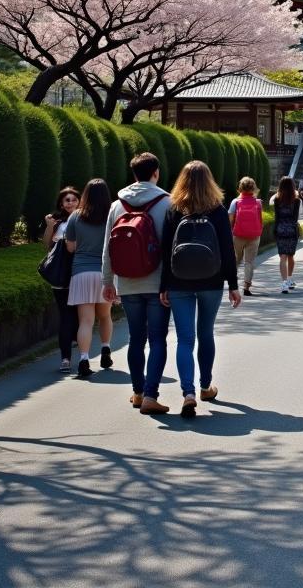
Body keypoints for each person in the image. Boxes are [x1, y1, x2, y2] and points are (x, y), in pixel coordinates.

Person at [160, 161, 241, 418]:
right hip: (212, 281)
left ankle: (188, 393)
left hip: (178, 281)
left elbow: (165, 251)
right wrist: (233, 285)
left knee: (185, 339)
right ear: (210, 181)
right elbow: (228, 250)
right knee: (206, 333)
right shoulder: (217, 210)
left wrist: (164, 284)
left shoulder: (174, 209)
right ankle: (206, 386)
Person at [102, 151, 171, 415]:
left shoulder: (116, 205)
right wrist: (170, 284)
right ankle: (152, 395)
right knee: (157, 339)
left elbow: (107, 247)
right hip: (157, 283)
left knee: (136, 338)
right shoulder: (167, 203)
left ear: (133, 174)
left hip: (127, 282)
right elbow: (169, 248)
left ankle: (137, 392)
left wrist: (108, 281)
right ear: (156, 173)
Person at [65, 179, 113, 380]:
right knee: (105, 316)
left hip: (81, 272)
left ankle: (84, 359)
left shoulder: (76, 216)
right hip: (105, 273)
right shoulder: (111, 216)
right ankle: (105, 351)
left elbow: (70, 247)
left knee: (85, 320)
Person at [43, 187, 81, 373]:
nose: (70, 203)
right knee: (67, 315)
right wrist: (50, 226)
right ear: (61, 203)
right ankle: (66, 358)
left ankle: (77, 352)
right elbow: (47, 246)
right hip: (61, 276)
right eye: (67, 200)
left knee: (77, 315)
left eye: (74, 200)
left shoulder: (84, 220)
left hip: (78, 273)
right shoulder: (58, 223)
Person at [228, 176, 263, 296]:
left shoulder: (235, 202)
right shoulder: (258, 202)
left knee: (236, 260)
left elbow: (230, 220)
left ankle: (233, 285)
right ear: (253, 188)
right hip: (254, 235)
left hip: (237, 235)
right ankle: (247, 286)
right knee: (249, 262)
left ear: (240, 188)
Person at [270, 177, 300, 294]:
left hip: (281, 229)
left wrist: (275, 230)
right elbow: (295, 218)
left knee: (282, 257)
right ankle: (289, 279)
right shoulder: (296, 201)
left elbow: (277, 217)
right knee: (291, 256)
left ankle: (284, 284)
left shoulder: (277, 200)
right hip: (292, 229)